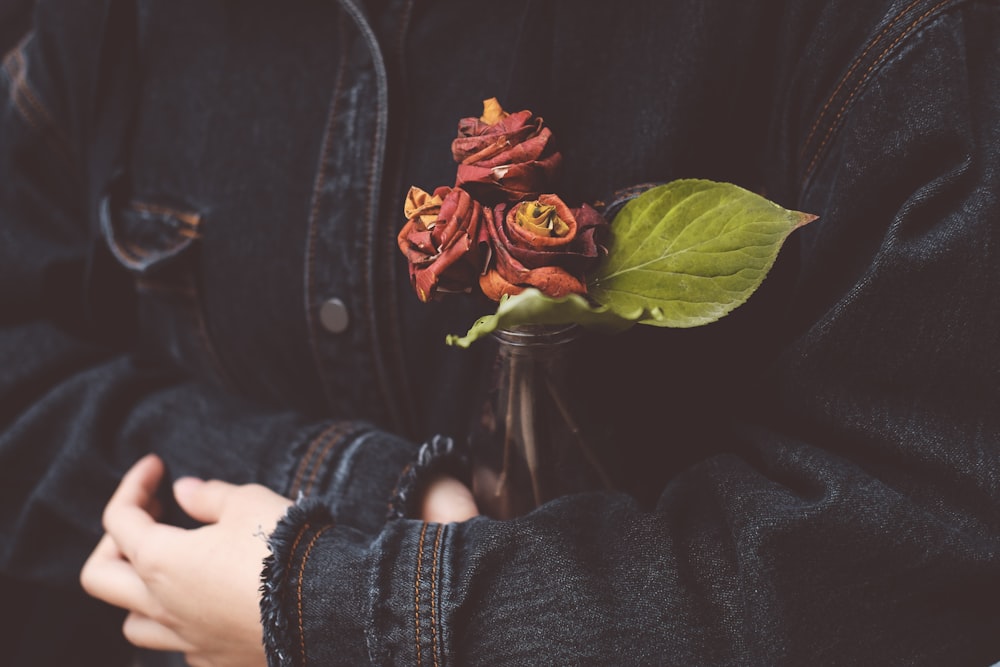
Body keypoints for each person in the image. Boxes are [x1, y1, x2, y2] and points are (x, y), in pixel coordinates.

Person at [3, 0, 1000, 665]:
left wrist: (338, 604)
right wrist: (362, 485)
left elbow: (914, 542)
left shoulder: (845, 35)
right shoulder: (120, 28)